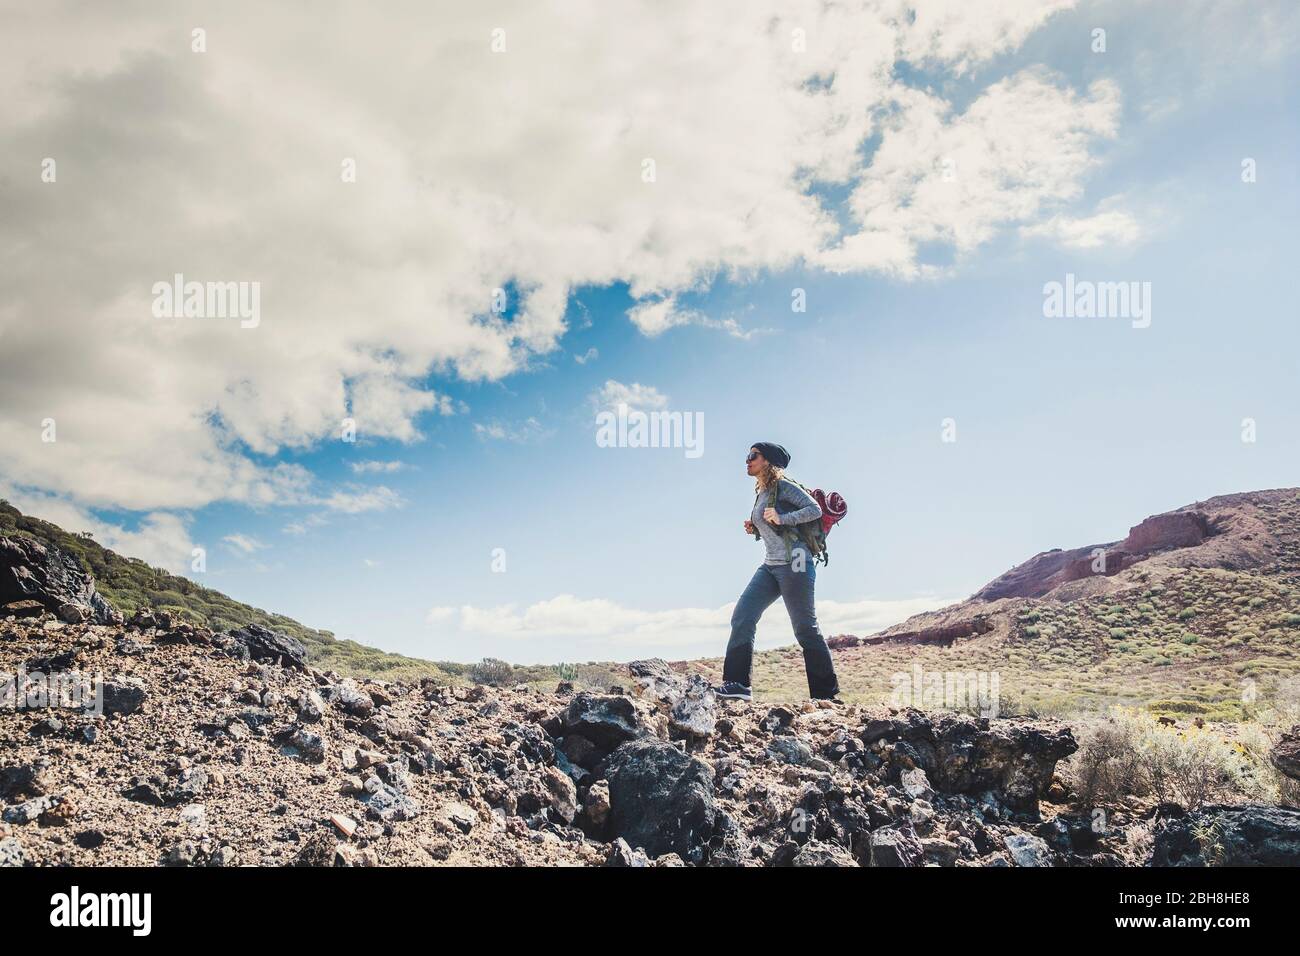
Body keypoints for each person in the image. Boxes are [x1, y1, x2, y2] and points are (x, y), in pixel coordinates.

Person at [714, 442, 841, 702]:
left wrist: (783, 518)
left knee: (805, 627)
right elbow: (773, 527)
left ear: (768, 461)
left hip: (795, 561)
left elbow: (814, 510)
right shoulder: (763, 491)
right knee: (743, 616)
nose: (747, 460)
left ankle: (826, 696)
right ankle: (737, 685)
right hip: (771, 564)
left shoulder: (783, 486)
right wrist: (757, 528)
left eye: (753, 456)